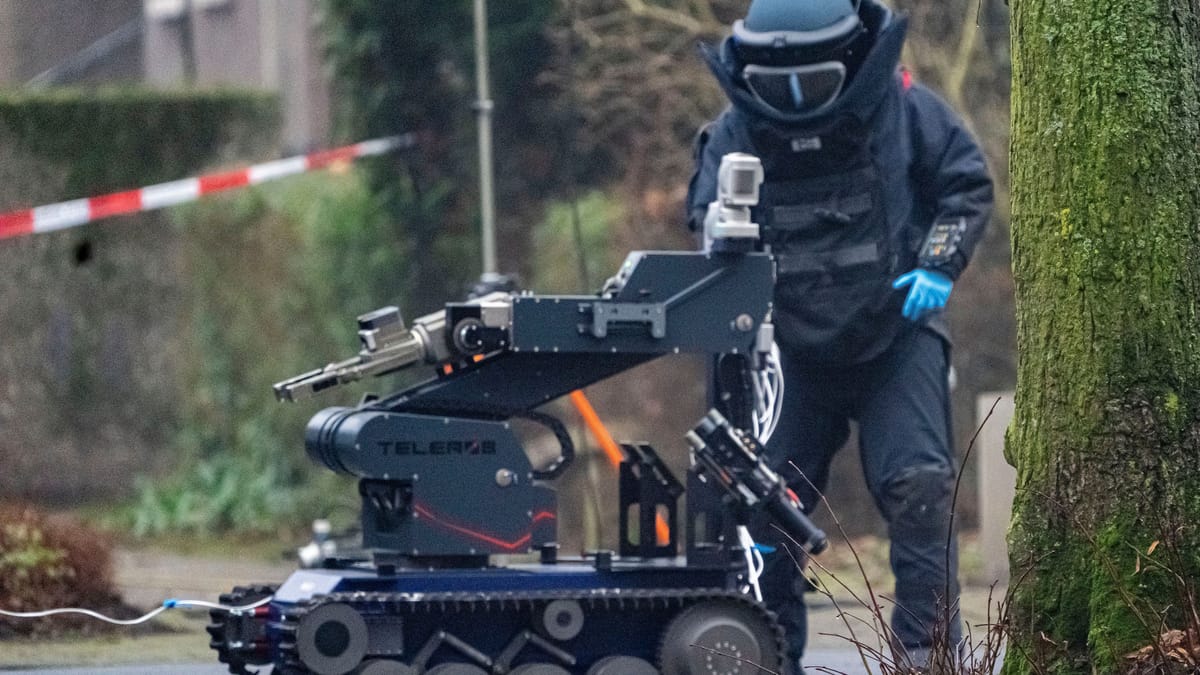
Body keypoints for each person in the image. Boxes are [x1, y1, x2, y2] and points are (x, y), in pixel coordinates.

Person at [685, 0, 994, 672]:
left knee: (919, 491)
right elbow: (706, 220)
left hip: (898, 332)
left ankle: (927, 655)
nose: (798, 100)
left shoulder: (906, 110)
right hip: (785, 349)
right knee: (764, 505)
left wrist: (939, 264)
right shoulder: (735, 132)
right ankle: (767, 654)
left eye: (814, 83)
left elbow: (965, 185)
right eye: (782, 87)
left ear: (849, 61)